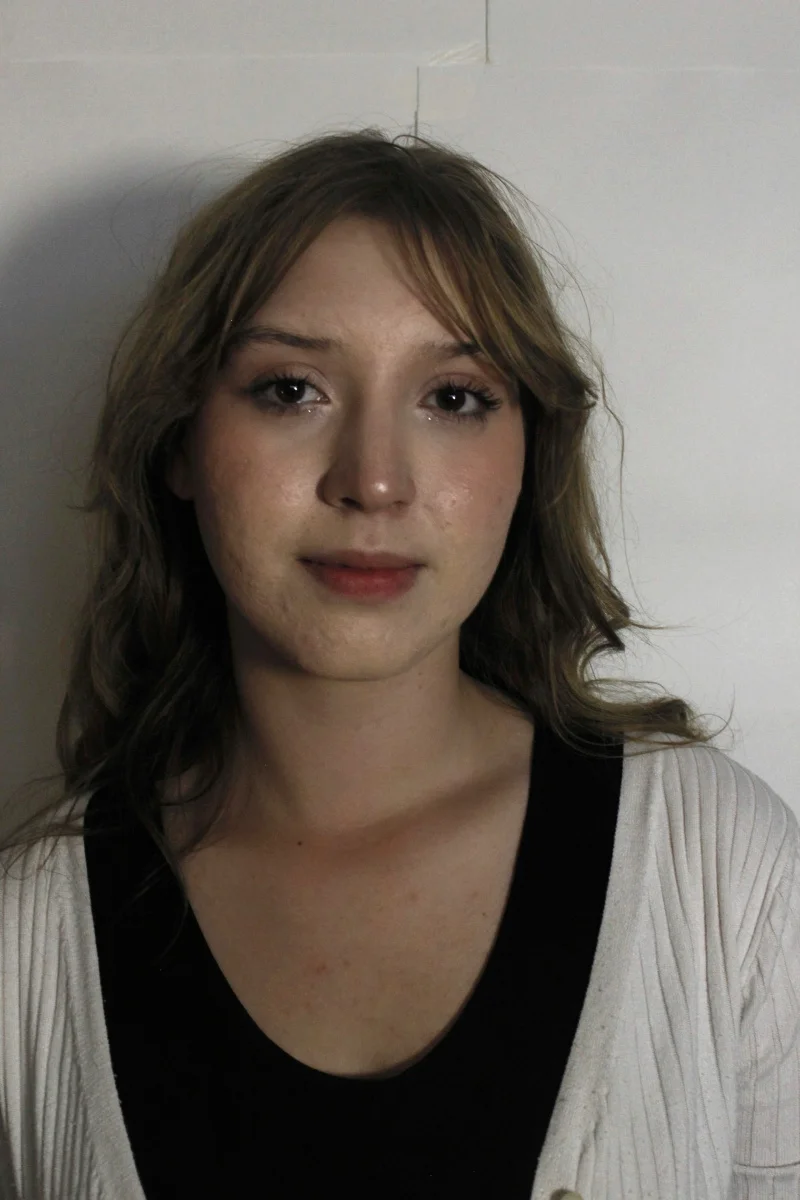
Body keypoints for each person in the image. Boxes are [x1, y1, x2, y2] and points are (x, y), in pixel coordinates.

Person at [0, 127, 798, 1200]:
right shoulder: (26, 939)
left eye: (453, 397)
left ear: (531, 451)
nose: (373, 481)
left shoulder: (723, 872)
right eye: (291, 389)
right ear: (179, 440)